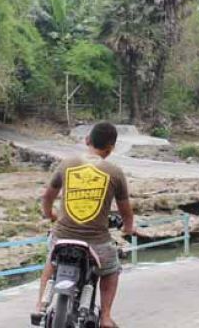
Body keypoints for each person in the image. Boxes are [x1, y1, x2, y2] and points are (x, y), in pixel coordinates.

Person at [36, 122, 135, 328]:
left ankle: (39, 304)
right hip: (96, 242)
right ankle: (106, 316)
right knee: (111, 269)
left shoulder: (66, 164)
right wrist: (128, 228)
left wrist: (50, 214)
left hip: (63, 235)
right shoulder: (114, 172)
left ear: (87, 140)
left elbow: (47, 198)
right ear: (110, 148)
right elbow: (126, 210)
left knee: (51, 260)